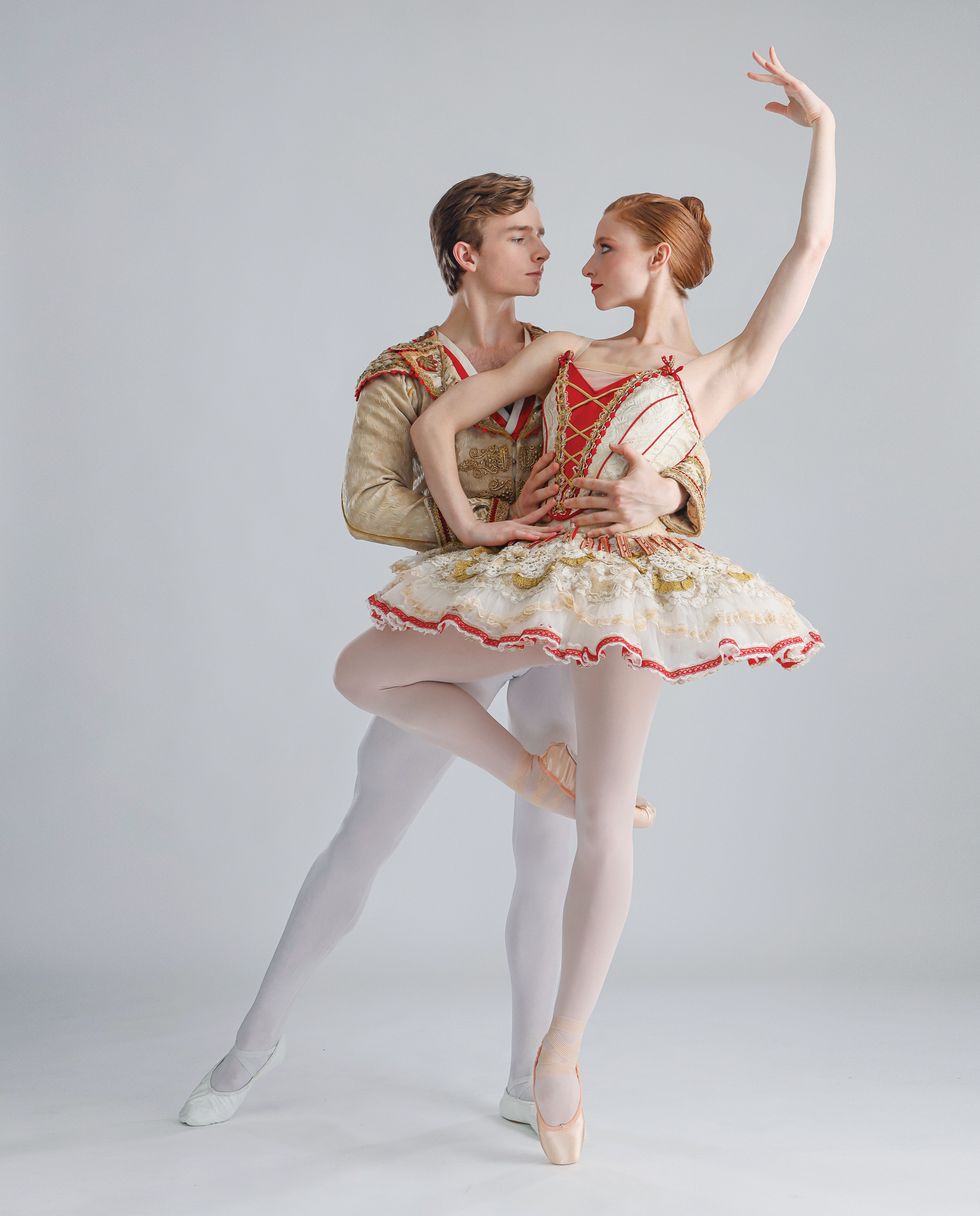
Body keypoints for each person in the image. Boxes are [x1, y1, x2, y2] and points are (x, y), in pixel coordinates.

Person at [333, 47, 833, 1164]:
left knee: (609, 819)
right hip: (542, 565)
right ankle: (526, 775)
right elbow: (432, 425)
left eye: (603, 246)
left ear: (656, 259)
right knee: (366, 666)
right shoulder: (565, 348)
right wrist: (466, 524)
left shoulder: (719, 374)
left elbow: (810, 250)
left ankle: (559, 1054)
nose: (580, 261)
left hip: (634, 585)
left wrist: (822, 130)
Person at [178, 174, 711, 1129]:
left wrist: (666, 496)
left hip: (557, 611)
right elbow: (366, 500)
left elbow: (675, 438)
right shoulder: (407, 372)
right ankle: (255, 1037)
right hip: (461, 606)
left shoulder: (574, 352)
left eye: (551, 235)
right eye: (522, 236)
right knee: (369, 830)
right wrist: (481, 525)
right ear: (468, 257)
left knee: (548, 851)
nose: (547, 253)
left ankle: (522, 1072)